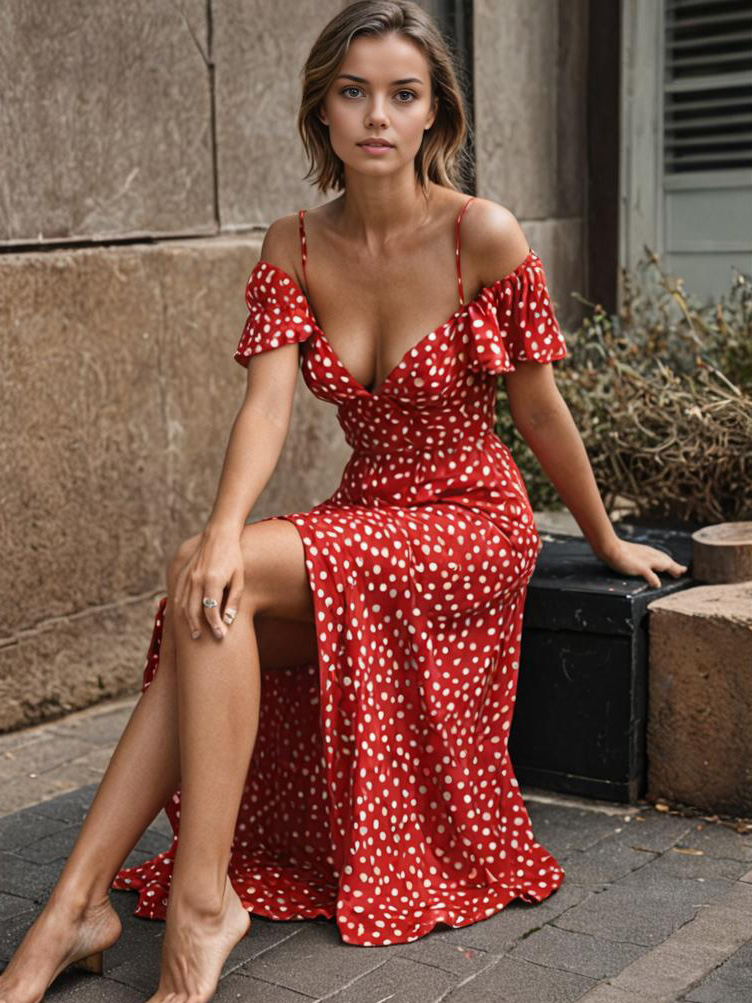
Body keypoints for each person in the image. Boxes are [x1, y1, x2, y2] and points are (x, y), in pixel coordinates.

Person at [0, 2, 688, 1002]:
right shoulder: (292, 242)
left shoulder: (479, 235)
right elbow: (266, 412)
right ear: (321, 113)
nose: (376, 115)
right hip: (364, 511)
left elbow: (540, 418)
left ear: (432, 118)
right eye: (352, 92)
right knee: (206, 587)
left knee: (209, 571)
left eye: (401, 95)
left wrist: (602, 538)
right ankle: (79, 904)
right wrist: (226, 534)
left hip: (466, 522)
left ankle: (179, 904)